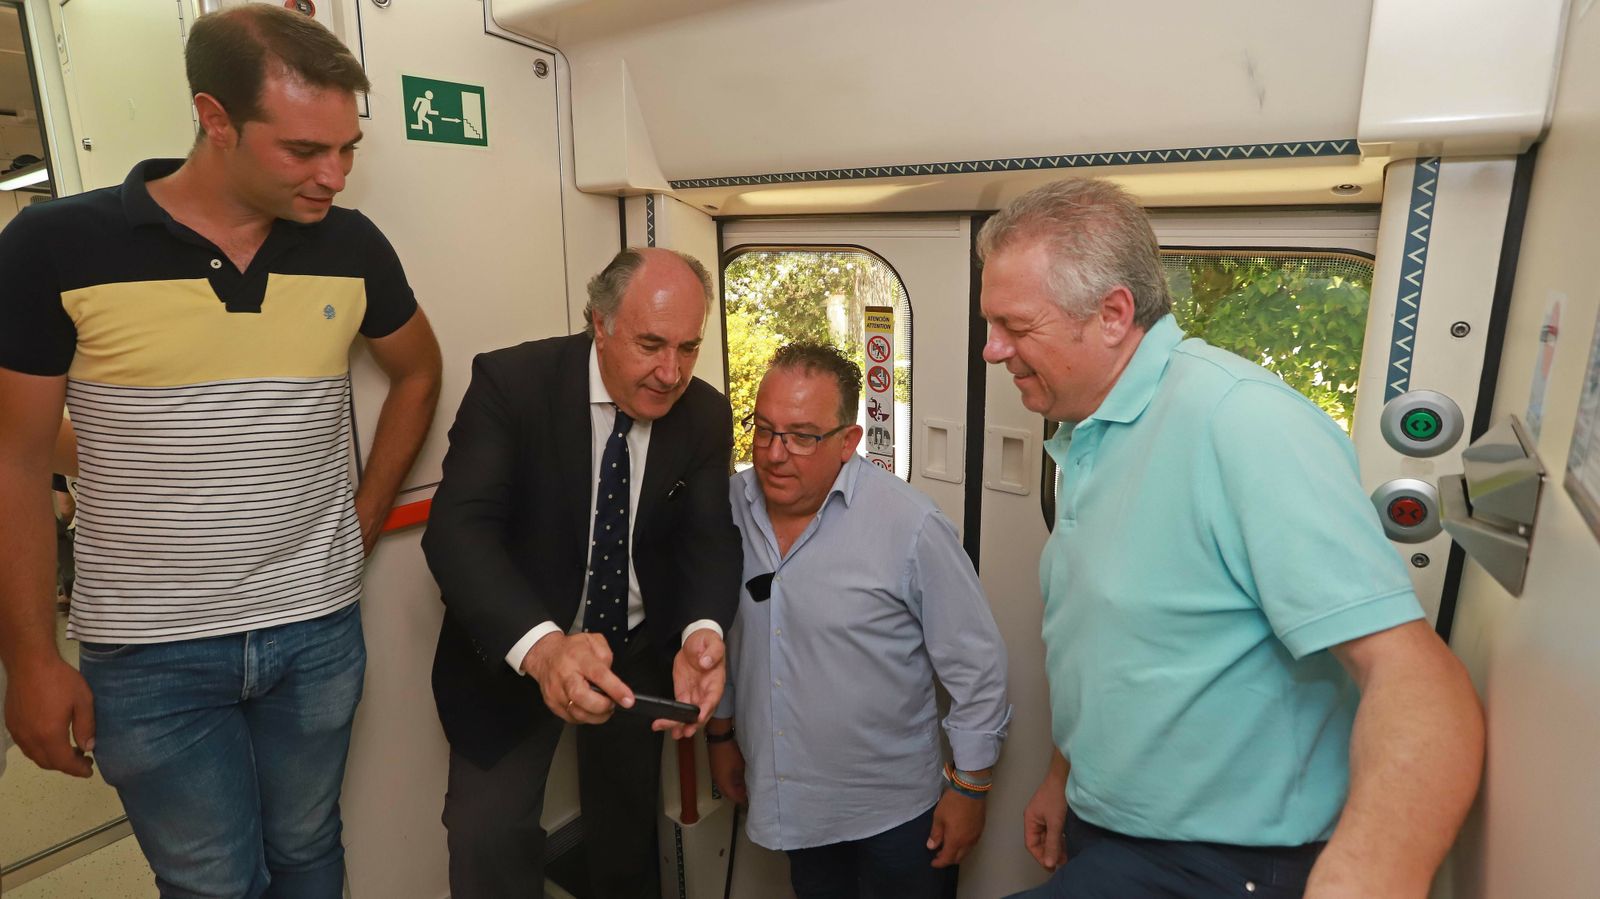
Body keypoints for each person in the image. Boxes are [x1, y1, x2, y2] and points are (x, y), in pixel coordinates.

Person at [0, 6, 441, 897]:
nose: (335, 174)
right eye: (305, 150)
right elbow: (13, 460)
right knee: (212, 881)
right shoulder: (54, 244)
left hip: (315, 632)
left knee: (312, 850)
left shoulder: (351, 246)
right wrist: (33, 661)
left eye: (348, 148)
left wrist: (356, 524)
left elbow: (420, 374)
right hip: (149, 652)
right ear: (214, 119)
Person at [976, 179, 1485, 898]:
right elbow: (1121, 642)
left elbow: (1416, 677)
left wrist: (1368, 873)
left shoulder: (1240, 423)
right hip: (1112, 832)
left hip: (1223, 864)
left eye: (1016, 327)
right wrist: (1067, 777)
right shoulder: (1090, 434)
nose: (994, 350)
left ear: (1114, 314)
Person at [423, 247, 744, 899]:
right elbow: (457, 532)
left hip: (635, 649)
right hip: (519, 649)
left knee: (626, 835)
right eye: (651, 344)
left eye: (689, 347)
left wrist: (701, 631)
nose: (670, 371)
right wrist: (542, 650)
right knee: (489, 838)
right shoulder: (512, 385)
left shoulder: (704, 414)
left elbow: (707, 539)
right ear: (599, 322)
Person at [706, 343, 1011, 898]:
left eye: (802, 436)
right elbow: (726, 637)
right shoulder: (728, 511)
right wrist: (720, 734)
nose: (775, 454)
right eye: (765, 429)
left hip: (896, 817)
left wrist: (970, 787)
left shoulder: (909, 526)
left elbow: (977, 666)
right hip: (793, 808)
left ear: (848, 442)